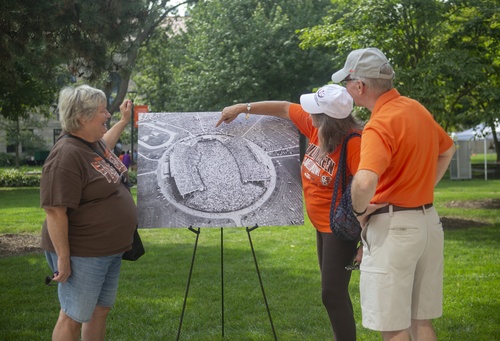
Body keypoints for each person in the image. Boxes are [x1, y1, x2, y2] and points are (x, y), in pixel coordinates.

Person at [217, 84, 362, 340]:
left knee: (332, 295)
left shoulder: (355, 144)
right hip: (322, 225)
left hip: (340, 230)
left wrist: (365, 242)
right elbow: (284, 108)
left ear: (327, 118)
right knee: (335, 294)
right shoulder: (317, 128)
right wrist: (243, 108)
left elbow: (370, 191)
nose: (309, 114)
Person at [331, 48, 456, 341]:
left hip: (394, 230)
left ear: (359, 86)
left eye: (346, 83)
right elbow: (447, 149)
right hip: (428, 223)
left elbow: (363, 182)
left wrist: (360, 213)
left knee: (394, 326)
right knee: (420, 321)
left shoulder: (378, 123)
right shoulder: (416, 109)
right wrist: (422, 187)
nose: (346, 89)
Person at [40, 85, 138, 341]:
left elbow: (106, 144)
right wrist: (63, 259)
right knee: (72, 316)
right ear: (82, 117)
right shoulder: (65, 155)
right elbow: (54, 211)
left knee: (100, 310)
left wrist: (123, 121)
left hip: (109, 249)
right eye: (102, 111)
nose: (107, 115)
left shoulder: (91, 144)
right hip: (83, 252)